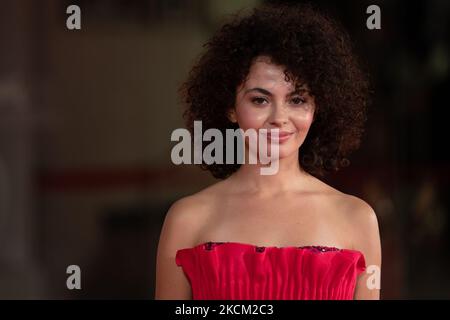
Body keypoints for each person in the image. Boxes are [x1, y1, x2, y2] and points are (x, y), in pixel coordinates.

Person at [155, 2, 381, 300]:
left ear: (318, 107)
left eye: (297, 100)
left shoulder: (356, 218)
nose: (279, 117)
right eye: (260, 100)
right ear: (230, 108)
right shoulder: (187, 219)